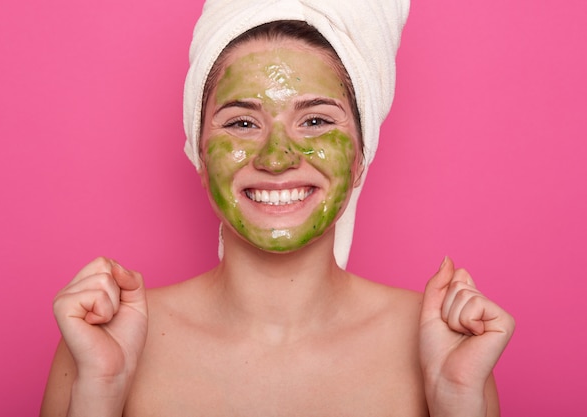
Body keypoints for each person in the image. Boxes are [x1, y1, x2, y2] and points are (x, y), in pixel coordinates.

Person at [41, 0, 515, 416]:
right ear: (199, 153)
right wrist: (99, 395)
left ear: (361, 158)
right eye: (243, 122)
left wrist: (455, 402)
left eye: (314, 120)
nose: (276, 158)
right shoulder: (110, 343)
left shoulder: (441, 349)